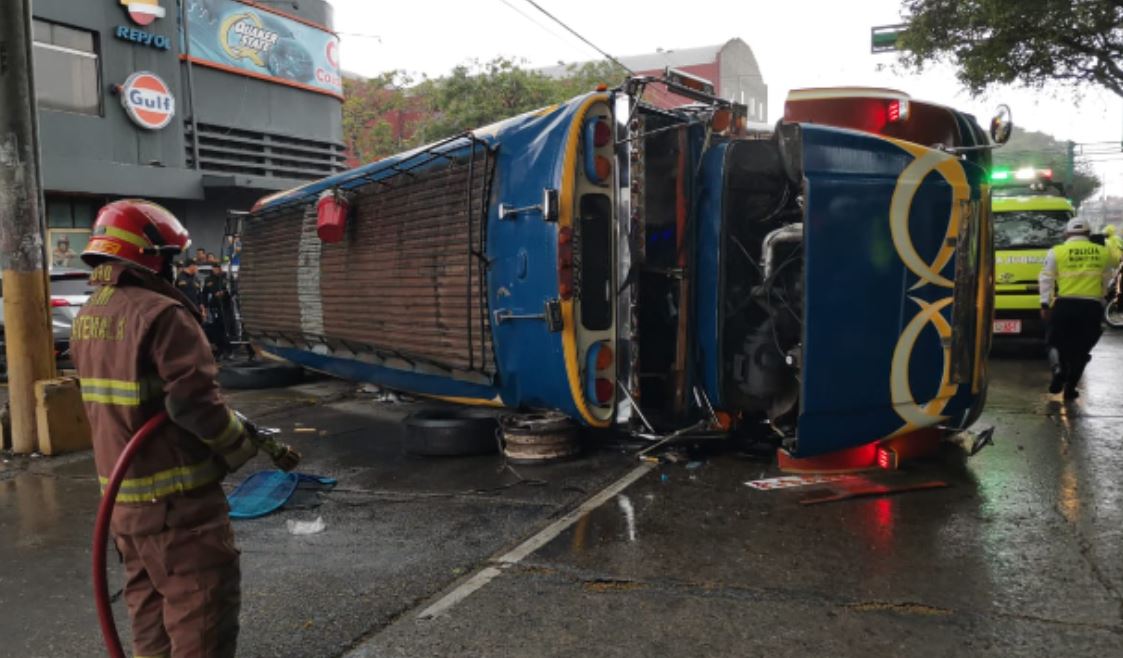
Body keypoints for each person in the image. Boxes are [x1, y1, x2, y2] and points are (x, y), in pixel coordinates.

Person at [72, 199, 264, 658]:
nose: (175, 267)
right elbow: (195, 404)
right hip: (179, 509)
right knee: (200, 614)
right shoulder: (161, 315)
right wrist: (239, 445)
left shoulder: (91, 316)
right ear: (151, 255)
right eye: (172, 257)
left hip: (125, 507)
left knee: (150, 615)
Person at [1039, 217, 1120, 399]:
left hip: (1065, 305)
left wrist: (1045, 304)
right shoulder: (1103, 252)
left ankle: (1058, 369)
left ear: (1067, 233)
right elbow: (1107, 279)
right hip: (1091, 307)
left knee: (1053, 341)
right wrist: (1102, 298)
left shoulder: (1057, 251)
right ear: (1088, 234)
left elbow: (1046, 279)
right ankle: (1070, 390)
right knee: (1081, 351)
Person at [203, 261, 233, 359]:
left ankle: (228, 351)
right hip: (214, 307)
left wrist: (224, 293)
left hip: (226, 307)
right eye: (215, 268)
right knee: (215, 330)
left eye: (218, 268)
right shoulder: (208, 279)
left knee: (226, 329)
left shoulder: (227, 277)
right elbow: (204, 294)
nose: (217, 269)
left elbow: (233, 290)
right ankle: (219, 351)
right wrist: (205, 307)